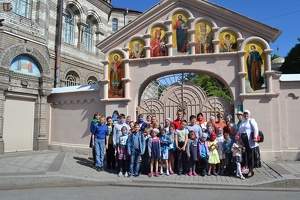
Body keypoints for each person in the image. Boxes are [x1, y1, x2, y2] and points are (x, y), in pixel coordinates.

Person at [237, 110, 261, 178]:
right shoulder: (242, 122)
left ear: (249, 115)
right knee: (246, 157)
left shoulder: (251, 120)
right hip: (244, 143)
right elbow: (239, 131)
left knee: (251, 157)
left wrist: (255, 137)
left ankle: (250, 171)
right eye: (244, 114)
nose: (245, 115)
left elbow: (255, 128)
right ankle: (248, 170)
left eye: (247, 114)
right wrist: (237, 136)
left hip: (251, 142)